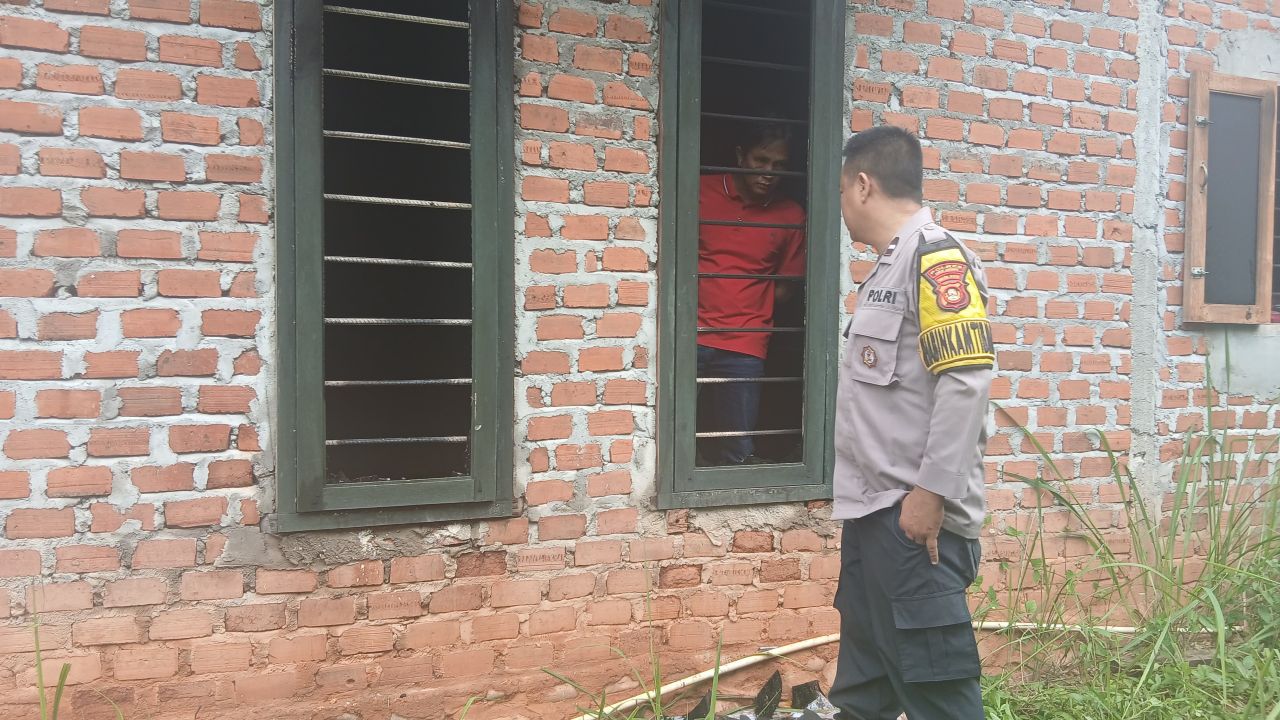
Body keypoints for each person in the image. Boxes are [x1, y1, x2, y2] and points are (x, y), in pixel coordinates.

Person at [829, 125, 994, 719]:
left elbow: (967, 380)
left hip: (914, 524)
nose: (842, 208)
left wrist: (930, 493)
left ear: (864, 185)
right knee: (863, 694)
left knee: (938, 700)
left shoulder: (935, 259)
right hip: (873, 514)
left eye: (843, 192)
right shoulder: (887, 269)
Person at [696, 121, 806, 466]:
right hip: (688, 336)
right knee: (670, 438)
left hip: (745, 344)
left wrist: (746, 307)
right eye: (761, 161)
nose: (769, 173)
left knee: (735, 447)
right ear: (741, 156)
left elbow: (787, 285)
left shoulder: (790, 214)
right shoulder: (698, 191)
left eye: (779, 166)